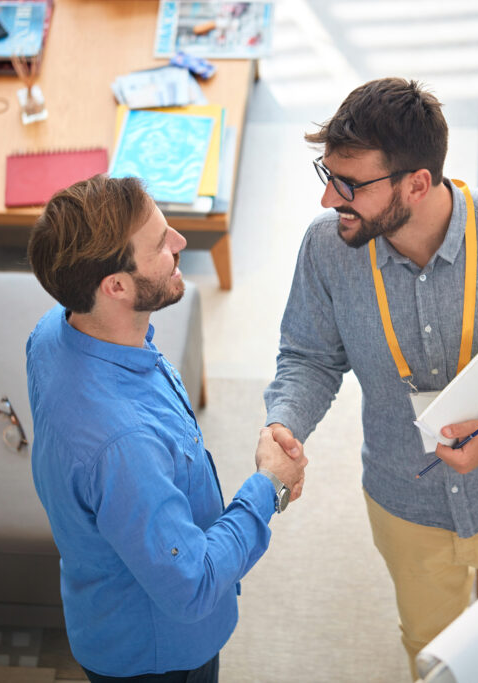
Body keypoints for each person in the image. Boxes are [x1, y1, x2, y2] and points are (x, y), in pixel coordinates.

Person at [263, 77, 478, 678]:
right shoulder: (326, 249)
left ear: (417, 183)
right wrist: (282, 424)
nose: (330, 201)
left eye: (350, 185)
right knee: (431, 649)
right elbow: (309, 356)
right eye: (327, 177)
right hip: (406, 506)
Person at [26, 174, 307, 682]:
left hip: (102, 609)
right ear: (115, 286)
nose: (179, 243)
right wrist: (269, 486)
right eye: (160, 243)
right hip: (158, 656)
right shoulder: (126, 448)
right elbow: (193, 585)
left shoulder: (53, 329)